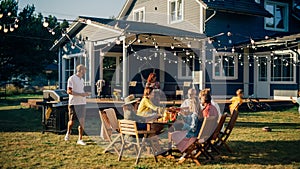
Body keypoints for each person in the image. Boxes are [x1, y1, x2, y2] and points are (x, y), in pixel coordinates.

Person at [64, 64, 90, 145]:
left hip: (82, 103)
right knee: (71, 121)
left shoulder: (82, 80)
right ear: (81, 70)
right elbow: (69, 91)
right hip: (73, 103)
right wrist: (80, 94)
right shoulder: (71, 78)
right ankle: (68, 133)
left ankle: (80, 139)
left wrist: (85, 94)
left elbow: (80, 91)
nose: (85, 71)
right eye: (84, 70)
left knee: (82, 121)